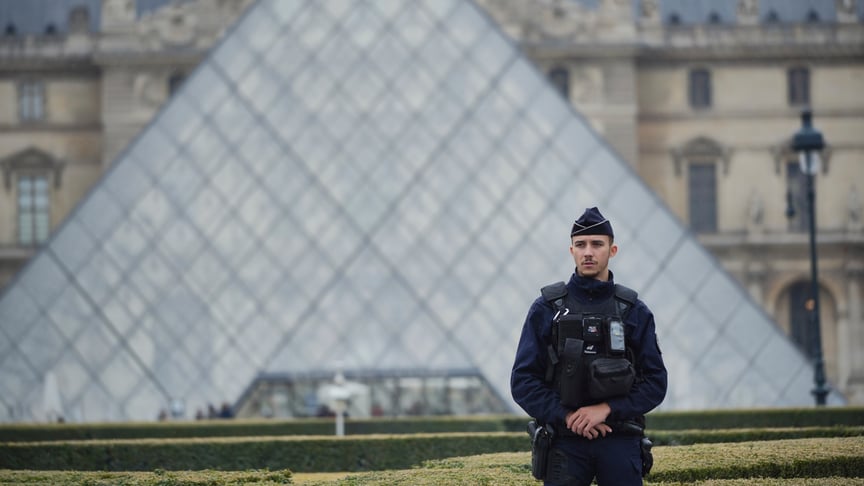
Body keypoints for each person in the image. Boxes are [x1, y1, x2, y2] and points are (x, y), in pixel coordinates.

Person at [511, 207, 667, 485]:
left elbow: (656, 383)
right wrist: (568, 416)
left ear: (613, 249)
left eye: (597, 244)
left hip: (620, 440)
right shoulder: (547, 309)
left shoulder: (633, 311)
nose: (588, 252)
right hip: (564, 442)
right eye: (581, 245)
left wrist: (606, 409)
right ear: (571, 250)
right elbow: (523, 382)